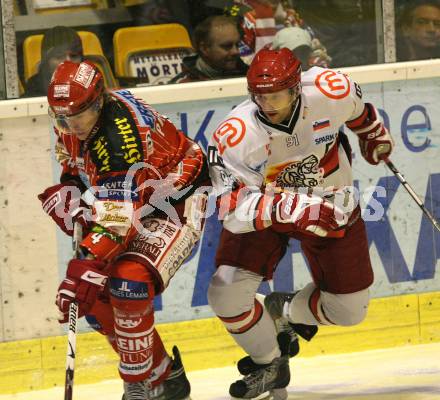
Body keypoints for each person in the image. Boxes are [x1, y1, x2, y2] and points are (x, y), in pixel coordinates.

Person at [207, 48, 393, 399]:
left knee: (349, 311)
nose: (267, 104)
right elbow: (232, 212)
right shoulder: (236, 133)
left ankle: (283, 309)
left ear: (296, 89)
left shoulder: (330, 88)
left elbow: (360, 113)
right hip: (267, 212)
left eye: (276, 95)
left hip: (332, 200)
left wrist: (372, 135)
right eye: (259, 96)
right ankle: (269, 362)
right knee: (225, 294)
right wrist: (295, 208)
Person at [38, 60, 210, 400]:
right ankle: (164, 376)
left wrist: (85, 262)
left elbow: (119, 220)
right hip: (132, 199)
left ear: (99, 101)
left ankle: (139, 385)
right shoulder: (77, 117)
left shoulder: (119, 141)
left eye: (77, 117)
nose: (70, 127)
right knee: (95, 297)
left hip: (174, 203)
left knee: (127, 283)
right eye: (62, 119)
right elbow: (75, 162)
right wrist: (71, 186)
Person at [232, 0, 331, 67]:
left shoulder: (291, 15)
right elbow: (242, 63)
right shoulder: (241, 17)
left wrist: (315, 66)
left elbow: (316, 51)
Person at [169, 15, 248, 83]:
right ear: (204, 48)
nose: (236, 51)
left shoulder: (251, 76)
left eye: (237, 45)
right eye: (227, 46)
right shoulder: (181, 86)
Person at [23, 26, 84, 97]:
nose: (68, 61)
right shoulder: (32, 96)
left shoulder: (93, 85)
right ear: (46, 61)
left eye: (74, 56)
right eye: (59, 56)